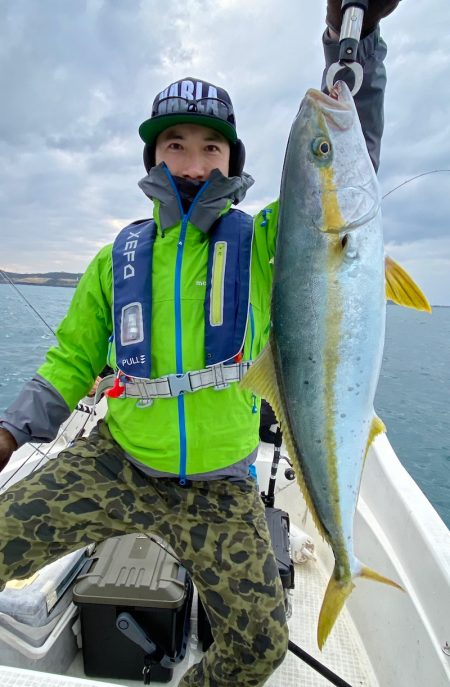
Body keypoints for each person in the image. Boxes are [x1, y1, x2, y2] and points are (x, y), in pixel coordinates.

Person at [0, 3, 401, 685]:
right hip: (118, 462)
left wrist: (353, 46)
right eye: (175, 145)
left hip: (220, 485)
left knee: (259, 643)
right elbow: (68, 363)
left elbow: (335, 179)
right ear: (154, 157)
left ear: (232, 161)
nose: (191, 164)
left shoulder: (268, 241)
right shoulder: (115, 258)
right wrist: (10, 432)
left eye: (210, 147)